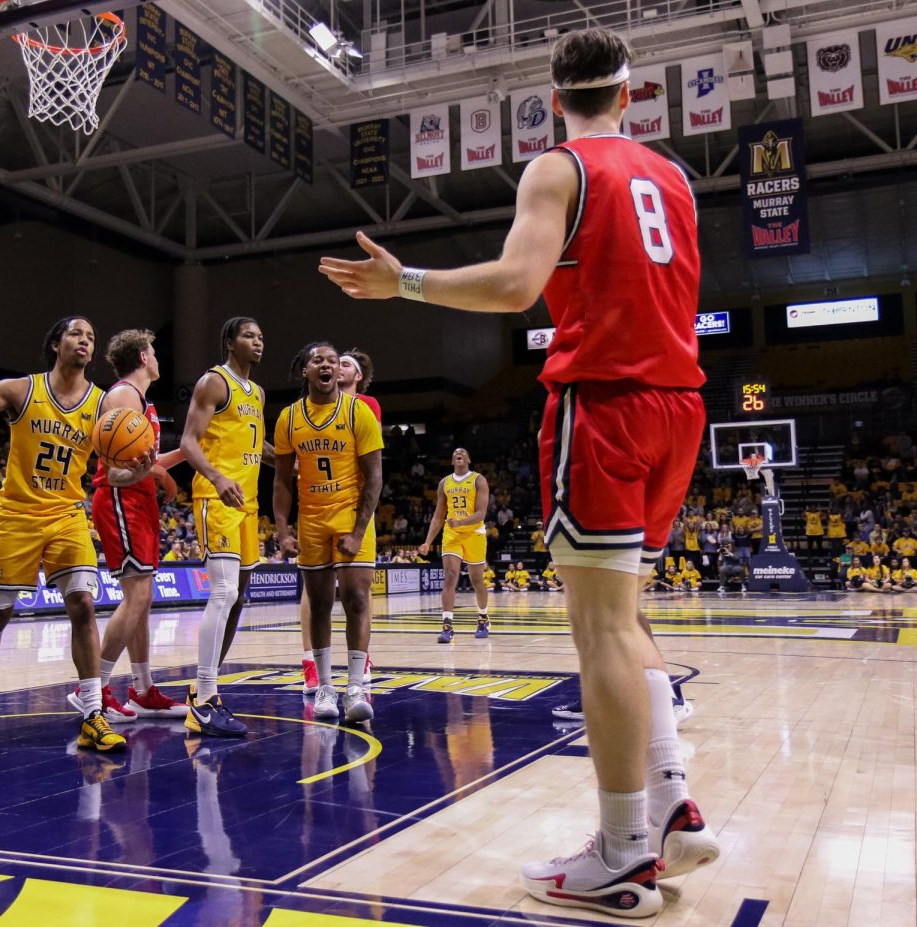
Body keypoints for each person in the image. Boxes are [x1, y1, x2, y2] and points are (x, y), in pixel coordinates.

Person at [317, 28, 717, 915]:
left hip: (605, 404)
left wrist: (405, 283)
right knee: (626, 617)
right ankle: (671, 806)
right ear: (630, 94)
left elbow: (514, 286)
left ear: (552, 97)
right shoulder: (677, 178)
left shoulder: (558, 169)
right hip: (679, 404)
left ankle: (621, 852)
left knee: (601, 629)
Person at [0, 317, 122, 753]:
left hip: (66, 515)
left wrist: (135, 468)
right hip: (17, 516)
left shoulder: (101, 406)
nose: (85, 341)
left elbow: (111, 470)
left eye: (91, 338)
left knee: (83, 603)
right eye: (77, 333)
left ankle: (93, 713)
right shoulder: (19, 390)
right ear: (57, 342)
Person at [71, 329, 187, 726]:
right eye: (153, 352)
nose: (157, 358)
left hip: (137, 500)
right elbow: (114, 469)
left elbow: (139, 462)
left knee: (144, 598)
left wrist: (184, 454)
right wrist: (159, 475)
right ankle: (93, 689)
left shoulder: (140, 401)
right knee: (136, 596)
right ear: (142, 357)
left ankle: (141, 690)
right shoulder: (123, 396)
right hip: (121, 499)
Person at [273, 342, 383, 723]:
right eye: (317, 360)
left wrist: (358, 530)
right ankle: (324, 687)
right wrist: (283, 530)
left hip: (351, 514)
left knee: (355, 598)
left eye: (332, 362)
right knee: (319, 604)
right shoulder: (288, 418)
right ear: (305, 371)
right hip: (313, 519)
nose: (326, 366)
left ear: (340, 373)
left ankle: (355, 686)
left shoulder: (359, 412)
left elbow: (375, 476)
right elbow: (282, 481)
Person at [179, 318, 269, 737]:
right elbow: (189, 442)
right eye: (249, 335)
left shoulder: (258, 394)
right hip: (217, 498)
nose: (258, 341)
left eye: (261, 336)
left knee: (238, 599)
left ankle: (205, 687)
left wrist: (291, 458)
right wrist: (216, 477)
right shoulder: (214, 382)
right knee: (224, 591)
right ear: (230, 342)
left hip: (248, 504)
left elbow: (256, 446)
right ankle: (203, 698)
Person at [298, 348, 382, 692]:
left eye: (345, 363)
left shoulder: (365, 407)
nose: (336, 365)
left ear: (357, 377)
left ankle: (360, 657)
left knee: (359, 589)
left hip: (353, 506)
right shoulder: (303, 410)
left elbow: (370, 464)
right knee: (314, 591)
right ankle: (310, 662)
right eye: (333, 361)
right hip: (316, 507)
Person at [418, 448, 491, 642]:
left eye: (463, 452)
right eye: (455, 453)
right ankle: (447, 626)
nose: (458, 453)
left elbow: (481, 513)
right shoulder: (445, 483)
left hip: (474, 533)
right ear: (452, 461)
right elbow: (438, 516)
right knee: (450, 576)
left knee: (477, 580)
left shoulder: (478, 480)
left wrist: (461, 522)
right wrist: (427, 542)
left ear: (468, 459)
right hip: (452, 534)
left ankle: (483, 618)